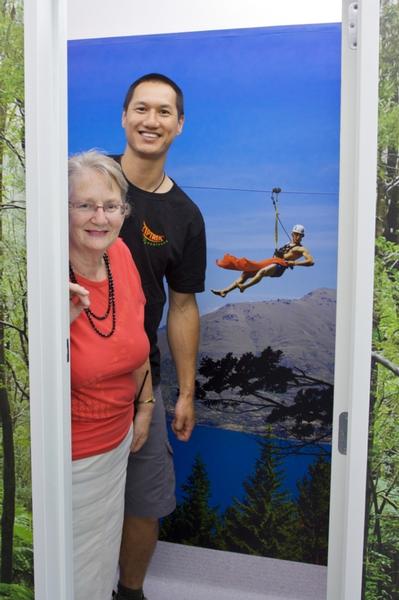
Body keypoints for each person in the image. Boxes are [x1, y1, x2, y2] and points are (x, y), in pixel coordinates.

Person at [110, 74, 206, 600]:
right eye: (141, 109)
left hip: (143, 379)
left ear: (179, 125)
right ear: (124, 116)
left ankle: (130, 591)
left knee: (144, 502)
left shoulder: (185, 216)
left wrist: (185, 391)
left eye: (164, 112)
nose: (151, 120)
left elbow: (184, 306)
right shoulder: (87, 186)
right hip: (75, 373)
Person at [68, 150, 154, 600]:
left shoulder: (119, 253)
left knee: (101, 566)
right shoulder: (44, 276)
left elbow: (136, 337)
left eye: (111, 205)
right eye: (84, 205)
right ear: (62, 209)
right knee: (73, 573)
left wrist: (145, 406)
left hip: (116, 444)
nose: (99, 217)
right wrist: (53, 320)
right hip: (70, 459)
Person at [211, 224, 314, 297]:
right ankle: (225, 291)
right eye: (295, 234)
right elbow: (279, 255)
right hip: (273, 261)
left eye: (300, 235)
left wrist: (294, 263)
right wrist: (278, 253)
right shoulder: (287, 244)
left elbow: (311, 261)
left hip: (280, 267)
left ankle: (244, 287)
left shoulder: (301, 249)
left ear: (302, 236)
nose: (297, 236)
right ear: (292, 234)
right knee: (246, 273)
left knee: (262, 272)